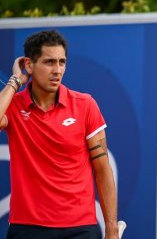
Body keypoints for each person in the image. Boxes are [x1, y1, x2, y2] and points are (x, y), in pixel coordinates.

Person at [0, 30, 119, 239]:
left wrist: (111, 229)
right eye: (49, 62)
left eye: (61, 62)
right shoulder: (13, 106)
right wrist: (15, 81)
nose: (57, 70)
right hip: (27, 228)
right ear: (29, 65)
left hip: (80, 229)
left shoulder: (85, 105)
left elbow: (102, 169)